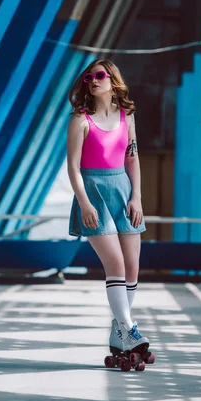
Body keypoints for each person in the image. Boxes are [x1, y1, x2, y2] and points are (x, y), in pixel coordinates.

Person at [67, 59, 149, 356]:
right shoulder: (80, 120)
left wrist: (136, 196)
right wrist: (84, 202)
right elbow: (73, 167)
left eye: (99, 76)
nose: (93, 81)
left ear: (113, 80)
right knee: (114, 265)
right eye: (89, 77)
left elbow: (132, 157)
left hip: (124, 191)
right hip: (93, 194)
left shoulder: (127, 115)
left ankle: (118, 334)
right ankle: (129, 328)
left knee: (131, 268)